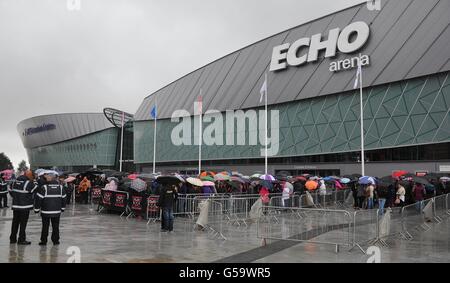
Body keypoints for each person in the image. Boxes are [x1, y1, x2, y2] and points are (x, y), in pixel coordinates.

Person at [34, 173, 66, 245]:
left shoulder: (44, 187)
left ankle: (43, 241)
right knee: (55, 226)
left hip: (45, 212)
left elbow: (39, 199)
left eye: (48, 177)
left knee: (45, 226)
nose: (46, 178)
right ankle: (56, 240)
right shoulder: (60, 187)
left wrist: (36, 209)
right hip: (57, 212)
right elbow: (64, 198)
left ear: (50, 179)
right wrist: (63, 208)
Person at [9, 170, 37, 245]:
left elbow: (11, 191)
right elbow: (35, 189)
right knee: (23, 224)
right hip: (25, 207)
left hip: (16, 206)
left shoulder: (14, 182)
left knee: (15, 222)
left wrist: (16, 198)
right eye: (32, 176)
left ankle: (12, 239)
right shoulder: (29, 183)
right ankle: (21, 239)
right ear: (29, 175)